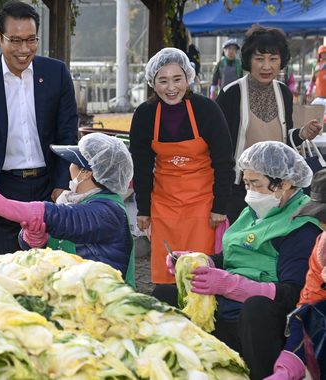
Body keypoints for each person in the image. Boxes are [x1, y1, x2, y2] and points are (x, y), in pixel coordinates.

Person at [152, 141, 322, 380]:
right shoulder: (253, 212)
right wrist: (201, 262)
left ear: (285, 183)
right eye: (246, 183)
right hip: (226, 308)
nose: (249, 191)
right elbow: (232, 254)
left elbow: (294, 295)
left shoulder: (301, 227)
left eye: (256, 184)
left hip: (263, 321)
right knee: (165, 296)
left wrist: (232, 286)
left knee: (256, 307)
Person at [0, 1, 78, 254]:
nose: (24, 49)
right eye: (16, 40)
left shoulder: (56, 73)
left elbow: (68, 132)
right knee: (9, 266)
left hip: (50, 185)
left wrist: (63, 181)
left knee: (54, 266)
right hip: (3, 187)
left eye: (31, 40)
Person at [0, 133, 136, 287]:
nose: (69, 167)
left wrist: (5, 206)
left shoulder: (110, 211)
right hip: (75, 296)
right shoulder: (77, 201)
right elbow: (58, 239)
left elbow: (63, 219)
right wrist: (36, 240)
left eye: (73, 162)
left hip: (105, 304)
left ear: (86, 172)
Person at [129, 47, 236, 284]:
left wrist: (220, 205)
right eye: (163, 80)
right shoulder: (145, 115)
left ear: (188, 79)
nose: (171, 87)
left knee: (199, 273)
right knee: (166, 277)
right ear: (152, 83)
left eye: (177, 79)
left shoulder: (207, 110)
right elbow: (142, 166)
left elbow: (224, 162)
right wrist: (143, 208)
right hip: (164, 205)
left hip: (203, 205)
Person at [216, 25, 322, 225]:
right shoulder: (231, 94)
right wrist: (220, 199)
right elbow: (219, 148)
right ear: (248, 60)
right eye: (259, 59)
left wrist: (301, 134)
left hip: (277, 190)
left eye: (273, 59)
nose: (266, 66)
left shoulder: (284, 93)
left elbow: (284, 140)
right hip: (240, 190)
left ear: (282, 61)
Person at [264, 170, 326, 380]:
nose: (322, 225)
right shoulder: (322, 248)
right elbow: (310, 306)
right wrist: (292, 359)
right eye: (319, 216)